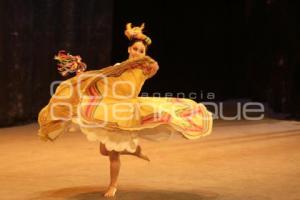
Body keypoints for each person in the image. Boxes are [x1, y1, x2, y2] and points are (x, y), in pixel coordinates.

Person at [38, 23, 213, 198]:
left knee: (113, 154)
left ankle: (113, 186)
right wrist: (83, 77)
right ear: (129, 49)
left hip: (125, 112)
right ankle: (134, 150)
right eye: (135, 49)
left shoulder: (143, 69)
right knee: (103, 151)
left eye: (142, 51)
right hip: (110, 108)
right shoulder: (118, 67)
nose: (138, 52)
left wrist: (140, 43)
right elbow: (103, 80)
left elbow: (154, 67)